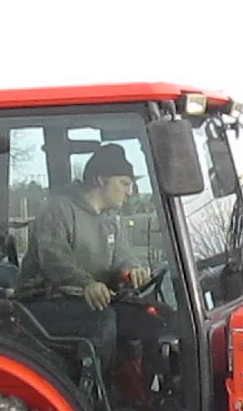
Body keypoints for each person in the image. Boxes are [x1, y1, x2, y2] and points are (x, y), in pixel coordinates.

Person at [15, 143, 156, 376]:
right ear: (101, 180)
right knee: (102, 322)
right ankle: (98, 399)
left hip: (87, 300)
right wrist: (86, 284)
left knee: (152, 319)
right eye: (124, 183)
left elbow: (123, 257)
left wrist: (133, 269)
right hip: (41, 305)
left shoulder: (110, 220)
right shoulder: (58, 210)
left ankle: (146, 397)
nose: (129, 192)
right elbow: (55, 260)